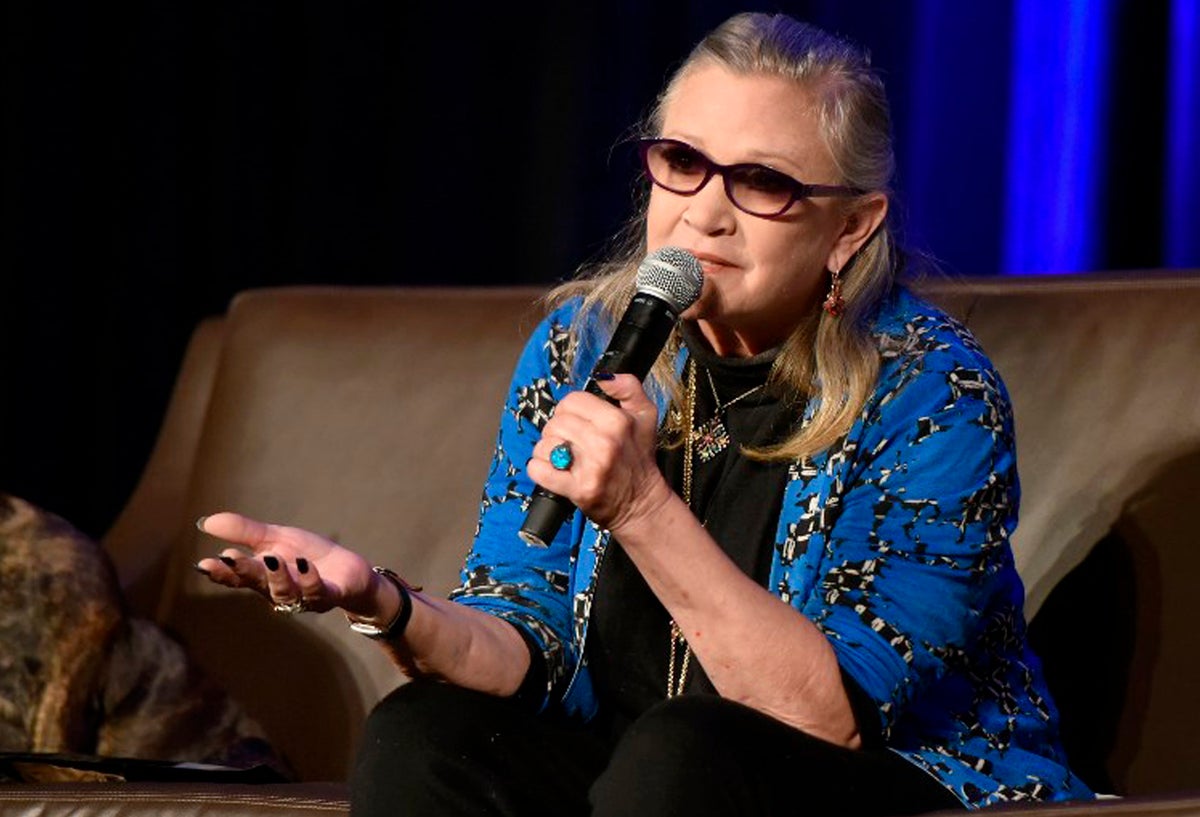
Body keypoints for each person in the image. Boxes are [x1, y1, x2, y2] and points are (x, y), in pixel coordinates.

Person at [196, 12, 1094, 816]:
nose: (706, 214)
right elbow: (531, 635)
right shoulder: (581, 345)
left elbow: (830, 713)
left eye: (762, 182)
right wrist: (382, 601)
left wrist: (639, 505)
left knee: (683, 750)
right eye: (684, 164)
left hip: (893, 779)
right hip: (646, 768)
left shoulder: (932, 390)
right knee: (424, 732)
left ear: (851, 227)